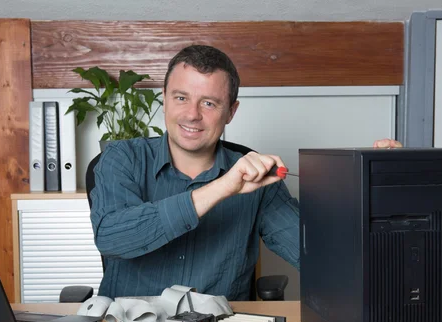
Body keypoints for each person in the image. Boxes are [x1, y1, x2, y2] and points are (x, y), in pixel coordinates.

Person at [89, 45, 401, 300]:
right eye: (181, 98)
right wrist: (222, 188)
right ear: (165, 99)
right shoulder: (122, 157)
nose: (192, 114)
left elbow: (322, 257)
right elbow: (114, 239)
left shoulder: (260, 183)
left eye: (209, 103)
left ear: (231, 112)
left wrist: (381, 195)